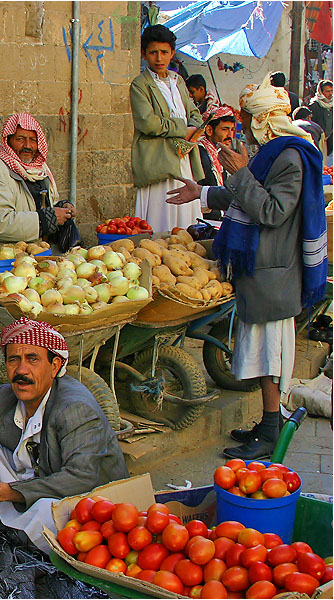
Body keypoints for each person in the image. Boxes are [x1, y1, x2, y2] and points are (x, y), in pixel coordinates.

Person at [166, 74, 327, 460]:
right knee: (260, 353)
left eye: (247, 122)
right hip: (262, 270)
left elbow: (270, 210)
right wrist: (202, 191)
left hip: (274, 272)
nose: (244, 132)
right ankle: (267, 422)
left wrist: (239, 172)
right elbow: (248, 193)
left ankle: (271, 432)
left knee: (270, 357)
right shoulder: (275, 154)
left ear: (262, 121)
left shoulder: (289, 158)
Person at [0, 318, 128, 552]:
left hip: (88, 500)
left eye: (32, 359)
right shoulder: (6, 396)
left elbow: (81, 478)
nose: (21, 371)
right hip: (35, 476)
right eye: (13, 360)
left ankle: (23, 538)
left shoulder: (74, 409)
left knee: (47, 512)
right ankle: (3, 515)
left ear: (55, 366)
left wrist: (1, 491)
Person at [0, 113, 77, 258]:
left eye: (32, 140)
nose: (27, 146)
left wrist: (61, 209)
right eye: (20, 139)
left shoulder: (40, 170)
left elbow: (40, 205)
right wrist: (46, 219)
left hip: (31, 257)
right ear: (8, 141)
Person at [131, 25, 205, 233]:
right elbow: (148, 123)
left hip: (183, 157)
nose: (159, 58)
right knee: (160, 214)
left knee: (186, 214)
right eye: (153, 52)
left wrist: (195, 129)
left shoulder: (178, 81)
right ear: (144, 54)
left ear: (172, 53)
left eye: (164, 52)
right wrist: (184, 129)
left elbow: (194, 113)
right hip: (158, 161)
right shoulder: (140, 84)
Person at [196, 106, 238, 220]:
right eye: (225, 129)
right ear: (209, 130)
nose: (230, 136)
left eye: (232, 130)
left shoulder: (218, 152)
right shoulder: (200, 152)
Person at [307, 80, 332, 160]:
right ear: (321, 92)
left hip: (327, 140)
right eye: (327, 91)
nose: (330, 94)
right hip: (317, 140)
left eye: (332, 91)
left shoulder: (332, 105)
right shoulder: (314, 105)